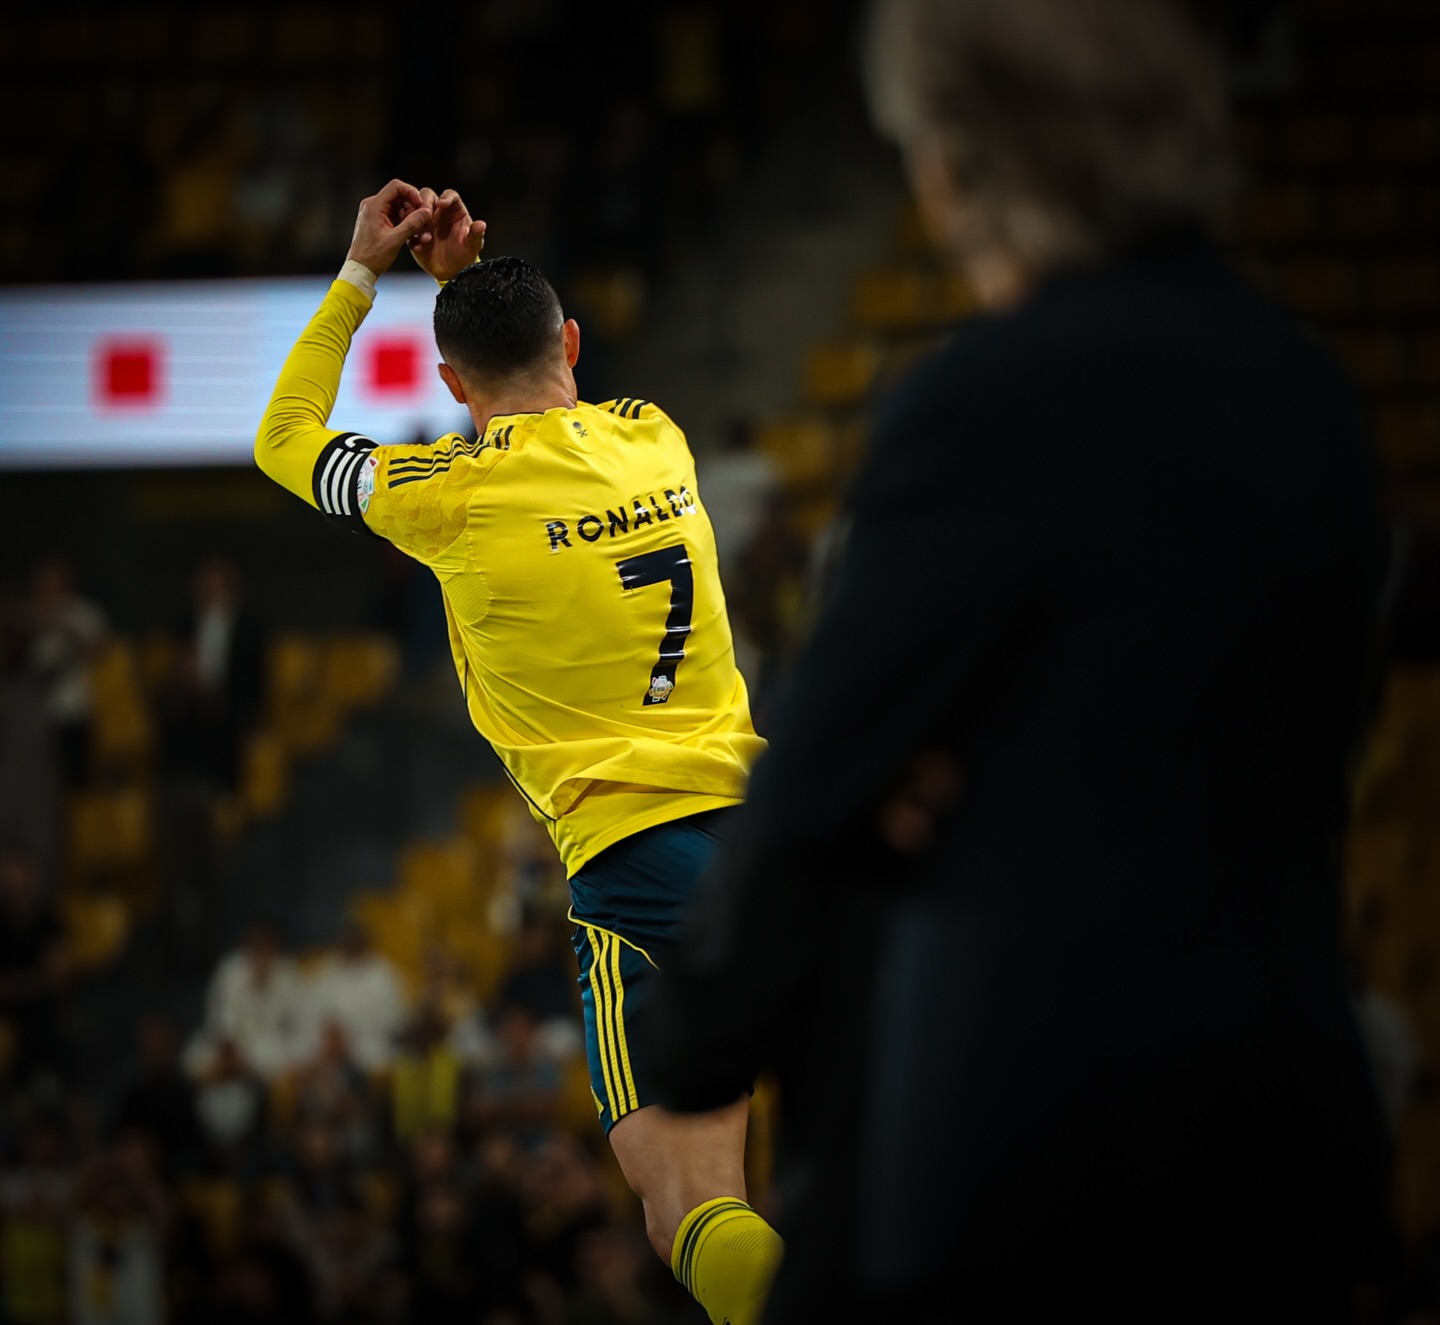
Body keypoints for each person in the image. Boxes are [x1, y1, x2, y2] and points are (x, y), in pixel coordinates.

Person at [644, 1, 1398, 1321]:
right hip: (1286, 1156)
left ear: (962, 160)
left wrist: (689, 1040)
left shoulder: (991, 401)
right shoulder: (1310, 389)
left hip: (1032, 1164)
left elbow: (817, 793)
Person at [254, 178, 781, 1325]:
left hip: (640, 871)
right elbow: (544, 408)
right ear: (573, 341)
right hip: (774, 843)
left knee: (690, 1205)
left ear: (449, 388)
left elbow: (282, 438)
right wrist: (471, 285)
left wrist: (362, 272)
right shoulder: (655, 436)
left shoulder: (449, 495)